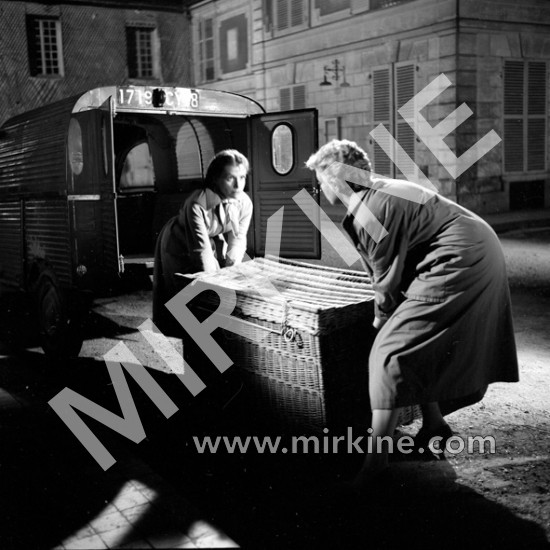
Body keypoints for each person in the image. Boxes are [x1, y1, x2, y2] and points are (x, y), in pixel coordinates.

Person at [305, 139, 519, 488]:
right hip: (473, 249)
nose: (319, 186)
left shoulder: (370, 209)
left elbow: (387, 285)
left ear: (337, 178)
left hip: (459, 258)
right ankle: (434, 425)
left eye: (321, 178)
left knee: (389, 354)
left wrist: (378, 324)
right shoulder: (378, 193)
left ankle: (375, 465)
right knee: (416, 347)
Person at [153, 149, 252, 336]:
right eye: (230, 178)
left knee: (219, 291)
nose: (239, 185)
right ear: (215, 178)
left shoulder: (244, 203)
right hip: (180, 242)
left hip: (213, 240)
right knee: (189, 299)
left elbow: (238, 239)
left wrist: (231, 270)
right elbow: (202, 252)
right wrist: (215, 289)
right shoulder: (197, 203)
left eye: (243, 177)